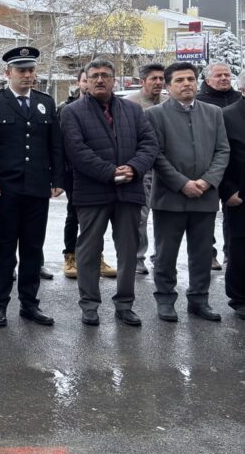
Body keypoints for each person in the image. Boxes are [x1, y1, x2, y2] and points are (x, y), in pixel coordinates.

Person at [60, 59, 158, 327]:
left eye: (105, 75)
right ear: (86, 81)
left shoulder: (133, 110)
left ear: (114, 80)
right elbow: (76, 152)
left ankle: (125, 305)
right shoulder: (72, 112)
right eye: (94, 76)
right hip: (92, 192)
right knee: (89, 251)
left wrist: (134, 168)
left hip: (129, 190)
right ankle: (89, 305)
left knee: (128, 250)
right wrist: (111, 172)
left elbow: (150, 144)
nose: (100, 80)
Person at [0, 47, 65, 328]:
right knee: (4, 248)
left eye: (30, 70)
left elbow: (55, 145)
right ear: (8, 73)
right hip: (7, 188)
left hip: (37, 187)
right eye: (21, 71)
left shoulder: (45, 102)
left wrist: (58, 180)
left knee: (32, 248)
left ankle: (29, 303)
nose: (27, 75)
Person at [145, 62, 229, 322]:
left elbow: (222, 150)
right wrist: (182, 183)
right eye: (179, 80)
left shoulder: (214, 112)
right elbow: (155, 155)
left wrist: (206, 182)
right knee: (166, 254)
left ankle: (199, 299)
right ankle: (166, 299)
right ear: (168, 86)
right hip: (169, 198)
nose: (186, 84)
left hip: (205, 197)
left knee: (202, 253)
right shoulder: (155, 114)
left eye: (190, 79)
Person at [57, 69, 117, 280]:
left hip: (102, 174)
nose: (88, 84)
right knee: (74, 215)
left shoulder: (108, 108)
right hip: (74, 173)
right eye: (85, 80)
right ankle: (71, 255)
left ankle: (97, 257)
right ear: (81, 83)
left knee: (98, 221)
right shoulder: (66, 109)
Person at [126, 63, 167, 275]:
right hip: (143, 167)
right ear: (143, 81)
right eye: (154, 79)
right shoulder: (130, 104)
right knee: (140, 216)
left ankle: (160, 257)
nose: (159, 82)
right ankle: (137, 258)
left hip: (167, 168)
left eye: (161, 78)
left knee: (165, 215)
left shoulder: (170, 102)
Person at [197, 62, 237, 271]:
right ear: (208, 80)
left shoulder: (239, 99)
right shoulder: (199, 102)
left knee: (233, 211)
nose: (224, 78)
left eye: (227, 75)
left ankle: (231, 253)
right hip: (209, 166)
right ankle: (209, 253)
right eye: (219, 75)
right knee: (207, 214)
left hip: (235, 168)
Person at [219, 71, 245, 319]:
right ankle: (239, 297)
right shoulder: (228, 116)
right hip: (239, 195)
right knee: (240, 248)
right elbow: (220, 155)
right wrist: (227, 191)